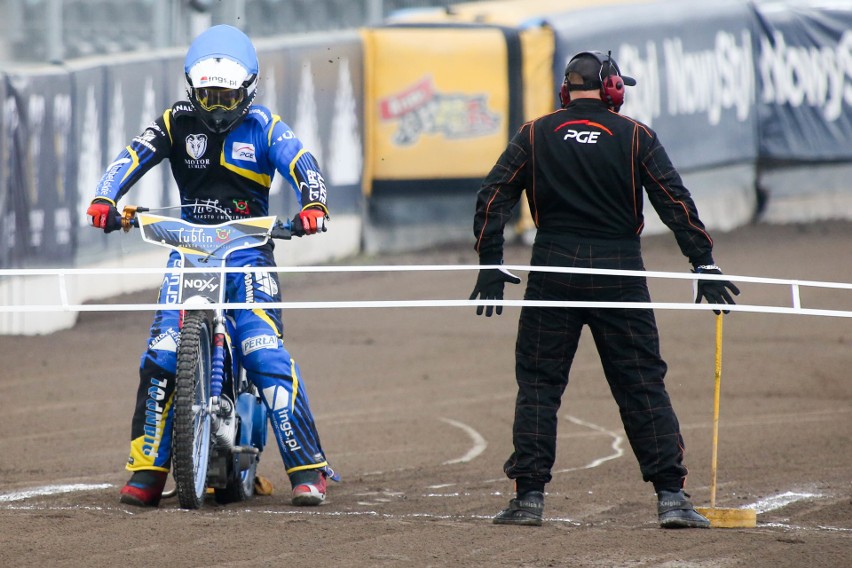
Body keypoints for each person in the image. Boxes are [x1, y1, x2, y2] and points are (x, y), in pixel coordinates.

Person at [469, 50, 740, 528]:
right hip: (620, 271)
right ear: (612, 87)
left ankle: (528, 497)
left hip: (553, 268)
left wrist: (490, 261)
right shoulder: (636, 135)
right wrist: (703, 261)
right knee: (640, 385)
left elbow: (493, 196)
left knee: (539, 385)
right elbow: (674, 200)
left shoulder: (534, 133)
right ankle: (672, 498)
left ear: (565, 89)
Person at [86, 25, 336, 507]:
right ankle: (147, 472)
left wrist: (314, 206)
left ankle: (309, 469)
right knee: (160, 356)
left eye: (226, 96)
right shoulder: (174, 121)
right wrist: (104, 197)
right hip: (190, 250)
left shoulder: (265, 125)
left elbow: (304, 163)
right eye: (208, 96)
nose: (217, 107)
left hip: (249, 253)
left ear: (248, 90)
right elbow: (131, 156)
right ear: (190, 89)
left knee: (264, 354)